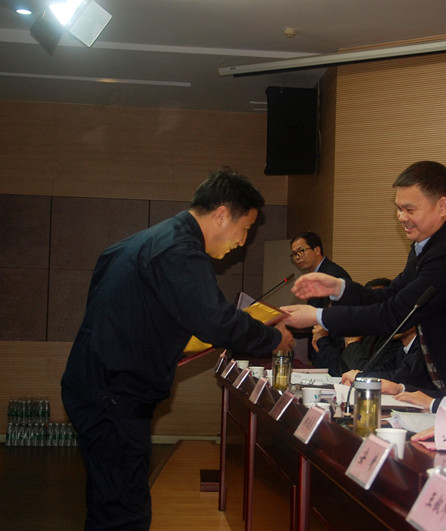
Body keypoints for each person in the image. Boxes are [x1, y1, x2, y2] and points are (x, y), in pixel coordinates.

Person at [61, 168, 295, 530]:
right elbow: (215, 321)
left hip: (98, 387)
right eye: (245, 228)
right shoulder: (180, 250)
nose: (243, 241)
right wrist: (274, 339)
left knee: (111, 503)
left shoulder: (141, 242)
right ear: (222, 214)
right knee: (123, 513)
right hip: (114, 396)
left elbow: (142, 316)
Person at [282, 160, 446, 406]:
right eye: (398, 208)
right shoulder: (429, 246)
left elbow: (395, 314)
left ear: (442, 206)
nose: (401, 217)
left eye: (409, 209)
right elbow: (391, 296)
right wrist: (338, 288)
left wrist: (318, 316)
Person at [310, 277, 392, 376]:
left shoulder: (391, 337)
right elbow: (339, 368)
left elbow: (366, 374)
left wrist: (352, 343)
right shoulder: (358, 327)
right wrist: (322, 346)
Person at [289, 231, 351, 308]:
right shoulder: (315, 275)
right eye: (294, 254)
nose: (297, 257)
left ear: (317, 250)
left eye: (301, 251)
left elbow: (337, 311)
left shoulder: (333, 274)